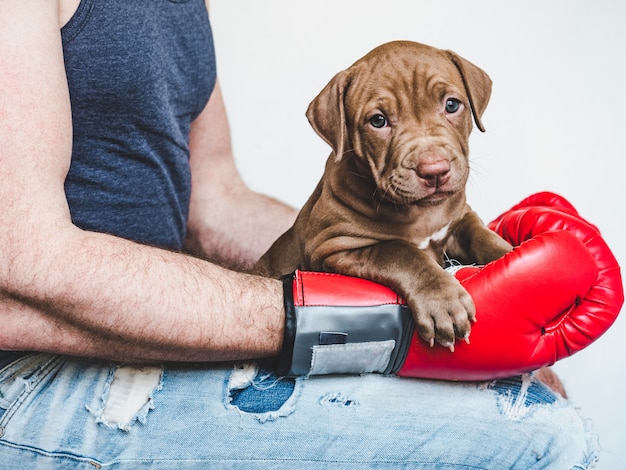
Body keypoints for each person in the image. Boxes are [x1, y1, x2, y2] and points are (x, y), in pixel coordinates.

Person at [0, 1, 598, 468]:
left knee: (531, 397)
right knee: (546, 439)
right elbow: (25, 259)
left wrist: (494, 302)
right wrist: (362, 323)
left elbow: (215, 203)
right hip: (33, 373)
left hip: (166, 341)